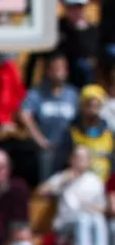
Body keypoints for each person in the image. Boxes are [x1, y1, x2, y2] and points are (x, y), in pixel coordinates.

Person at [41, 144, 110, 245]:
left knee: (98, 219)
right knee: (83, 219)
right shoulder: (64, 176)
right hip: (64, 223)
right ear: (71, 159)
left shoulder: (95, 181)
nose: (80, 161)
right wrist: (63, 180)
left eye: (84, 158)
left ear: (89, 161)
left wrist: (93, 208)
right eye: (77, 157)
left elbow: (103, 208)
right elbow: (41, 191)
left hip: (89, 218)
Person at [16, 52, 78, 183]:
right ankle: (45, 194)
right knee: (46, 156)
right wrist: (40, 139)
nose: (59, 73)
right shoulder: (37, 93)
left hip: (68, 146)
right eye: (55, 69)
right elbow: (24, 114)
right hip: (45, 146)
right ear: (48, 71)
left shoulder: (73, 94)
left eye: (62, 69)